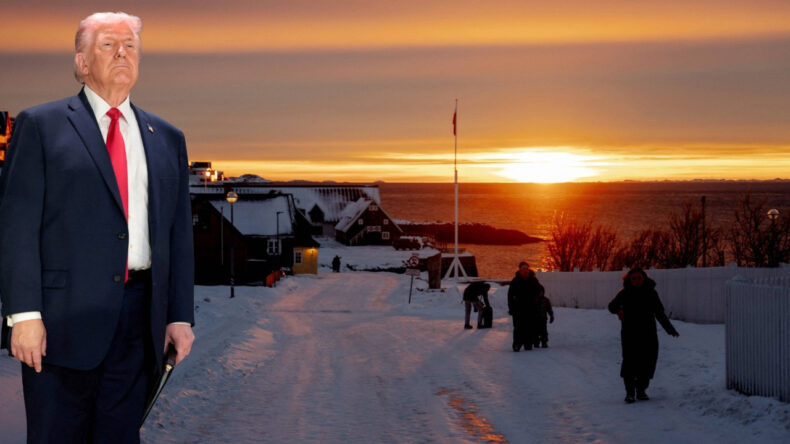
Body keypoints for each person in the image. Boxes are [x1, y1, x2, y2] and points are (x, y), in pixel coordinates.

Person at [0, 12, 195, 443]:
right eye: (108, 45)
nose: (122, 52)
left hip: (139, 324)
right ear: (82, 64)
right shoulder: (41, 126)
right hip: (60, 323)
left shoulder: (167, 137)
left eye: (130, 45)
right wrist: (24, 315)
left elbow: (178, 237)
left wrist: (179, 314)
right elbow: (17, 228)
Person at [608, 267, 679, 404]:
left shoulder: (651, 293)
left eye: (639, 278)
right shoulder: (624, 293)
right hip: (630, 334)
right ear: (629, 280)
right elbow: (611, 306)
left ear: (644, 278)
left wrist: (670, 330)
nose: (636, 281)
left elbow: (659, 313)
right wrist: (619, 310)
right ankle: (630, 393)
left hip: (648, 334)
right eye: (633, 278)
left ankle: (641, 390)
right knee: (629, 362)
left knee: (647, 362)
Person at [507, 262, 543, 351]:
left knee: (529, 326)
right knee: (518, 327)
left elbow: (540, 291)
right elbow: (510, 296)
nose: (525, 270)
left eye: (526, 268)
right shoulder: (515, 281)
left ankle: (528, 344)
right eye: (523, 268)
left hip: (531, 308)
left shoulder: (533, 280)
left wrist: (539, 298)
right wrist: (511, 308)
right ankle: (517, 344)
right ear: (520, 270)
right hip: (518, 309)